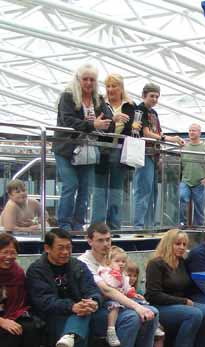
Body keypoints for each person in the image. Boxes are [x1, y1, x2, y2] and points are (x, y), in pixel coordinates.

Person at [78, 223, 160, 347]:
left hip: (119, 303)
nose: (106, 244)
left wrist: (136, 297)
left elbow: (124, 284)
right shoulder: (84, 262)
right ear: (89, 241)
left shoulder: (112, 258)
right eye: (100, 240)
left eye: (108, 240)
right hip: (98, 307)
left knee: (153, 312)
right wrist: (136, 307)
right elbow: (107, 290)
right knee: (133, 317)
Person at [25, 228, 102, 347]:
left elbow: (92, 289)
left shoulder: (78, 266)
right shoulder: (36, 270)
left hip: (80, 310)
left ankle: (70, 336)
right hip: (51, 316)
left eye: (69, 247)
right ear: (47, 248)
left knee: (87, 314)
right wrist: (72, 306)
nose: (66, 252)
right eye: (61, 248)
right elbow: (43, 301)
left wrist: (93, 301)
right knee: (80, 316)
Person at [144, 229, 205, 347]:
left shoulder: (182, 262)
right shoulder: (156, 264)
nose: (182, 247)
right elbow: (153, 295)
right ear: (168, 244)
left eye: (184, 244)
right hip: (161, 306)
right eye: (177, 244)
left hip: (179, 304)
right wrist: (183, 301)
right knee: (194, 314)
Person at [53, 63, 112, 231]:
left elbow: (107, 119)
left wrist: (103, 123)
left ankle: (78, 225)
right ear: (78, 79)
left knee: (85, 189)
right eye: (85, 79)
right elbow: (68, 121)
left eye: (92, 80)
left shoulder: (98, 99)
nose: (88, 83)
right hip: (66, 149)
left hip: (88, 150)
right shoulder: (68, 96)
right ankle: (64, 225)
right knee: (70, 185)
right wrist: (93, 124)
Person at [0, 233, 52, 347]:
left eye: (13, 253)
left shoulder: (17, 272)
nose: (9, 257)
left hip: (12, 313)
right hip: (1, 318)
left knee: (30, 328)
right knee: (8, 333)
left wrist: (14, 316)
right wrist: (2, 321)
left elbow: (21, 300)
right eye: (4, 252)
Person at [132, 83, 185, 229]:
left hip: (154, 154)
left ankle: (148, 224)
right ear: (144, 96)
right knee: (143, 191)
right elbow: (146, 133)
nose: (154, 99)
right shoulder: (139, 109)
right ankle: (139, 225)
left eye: (157, 96)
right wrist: (169, 139)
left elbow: (157, 132)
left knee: (152, 192)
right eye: (152, 96)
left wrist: (164, 148)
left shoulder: (154, 113)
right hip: (144, 153)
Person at [92, 73, 134, 230]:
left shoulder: (130, 106)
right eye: (108, 86)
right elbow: (98, 126)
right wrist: (113, 120)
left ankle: (114, 226)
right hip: (102, 150)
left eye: (114, 86)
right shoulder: (100, 104)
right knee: (99, 190)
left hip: (120, 152)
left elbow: (131, 129)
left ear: (121, 88)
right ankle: (97, 226)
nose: (110, 89)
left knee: (116, 190)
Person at [125, 259, 170, 347]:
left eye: (135, 275)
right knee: (149, 328)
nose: (132, 278)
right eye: (129, 275)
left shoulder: (138, 290)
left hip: (146, 315)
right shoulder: (123, 290)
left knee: (160, 331)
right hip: (137, 317)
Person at [179, 123, 205, 227]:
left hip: (201, 182)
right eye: (190, 130)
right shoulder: (183, 148)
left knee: (199, 208)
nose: (191, 132)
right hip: (185, 181)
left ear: (200, 133)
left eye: (194, 130)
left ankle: (198, 229)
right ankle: (182, 224)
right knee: (182, 197)